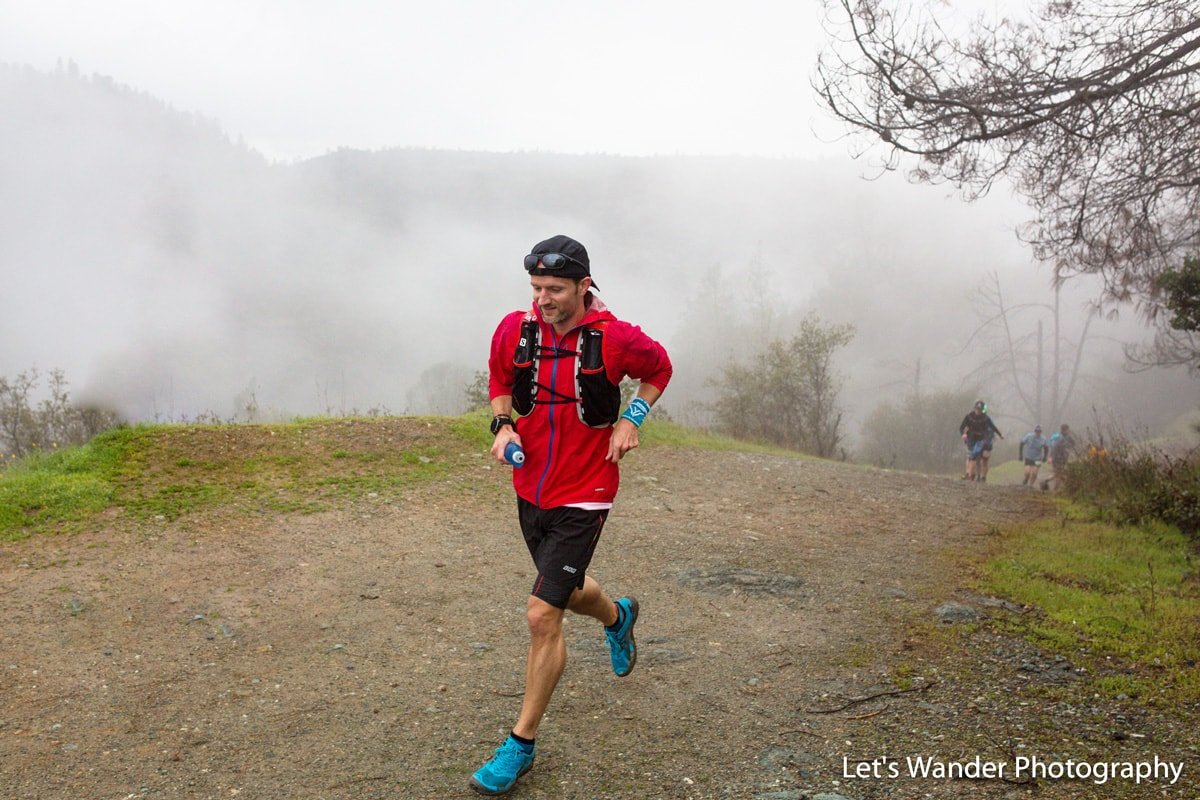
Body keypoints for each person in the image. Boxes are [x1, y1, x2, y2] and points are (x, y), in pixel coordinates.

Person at [471, 235, 672, 796]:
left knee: (542, 614)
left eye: (555, 289)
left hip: (586, 492)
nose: (544, 299)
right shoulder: (516, 329)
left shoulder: (617, 338)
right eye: (536, 288)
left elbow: (661, 369)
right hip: (530, 485)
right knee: (564, 589)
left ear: (585, 286)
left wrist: (631, 417)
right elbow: (498, 381)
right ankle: (618, 616)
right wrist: (502, 426)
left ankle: (521, 744)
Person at [959, 400, 1004, 482]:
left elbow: (993, 427)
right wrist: (963, 434)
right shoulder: (969, 416)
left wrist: (1000, 434)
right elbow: (961, 427)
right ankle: (969, 474)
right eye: (977, 409)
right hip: (971, 437)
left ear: (983, 410)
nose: (978, 411)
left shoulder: (986, 418)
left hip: (981, 438)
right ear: (974, 408)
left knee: (975, 455)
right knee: (970, 456)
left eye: (980, 410)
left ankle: (973, 476)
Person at [1042, 423, 1073, 491]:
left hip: (1063, 458)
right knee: (1058, 474)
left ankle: (1047, 483)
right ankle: (1052, 486)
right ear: (1064, 430)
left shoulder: (1068, 437)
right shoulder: (1059, 438)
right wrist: (1051, 457)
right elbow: (1054, 448)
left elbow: (1073, 444)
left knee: (1058, 474)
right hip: (1057, 459)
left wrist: (1069, 451)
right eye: (1066, 430)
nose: (1067, 431)